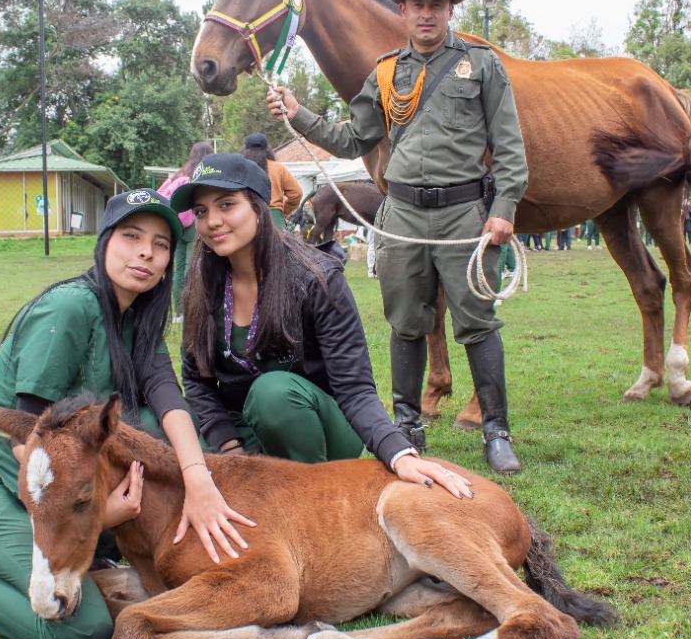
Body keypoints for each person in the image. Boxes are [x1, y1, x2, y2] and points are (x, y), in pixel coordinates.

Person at [0, 191, 255, 639]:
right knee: (79, 629)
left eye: (161, 243)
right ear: (105, 241)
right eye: (131, 236)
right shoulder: (69, 309)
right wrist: (102, 515)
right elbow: (28, 445)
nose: (146, 252)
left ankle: (91, 550)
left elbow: (171, 406)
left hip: (63, 489)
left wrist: (200, 477)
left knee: (172, 439)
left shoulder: (139, 319)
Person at [265, 0, 528, 474]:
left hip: (463, 215)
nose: (427, 14)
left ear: (450, 9)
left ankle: (496, 431)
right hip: (402, 215)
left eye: (437, 4)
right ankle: (407, 426)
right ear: (402, 9)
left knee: (477, 323)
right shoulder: (386, 73)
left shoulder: (482, 65)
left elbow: (511, 146)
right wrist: (298, 114)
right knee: (406, 322)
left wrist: (504, 207)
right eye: (417, 4)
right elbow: (351, 137)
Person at [172, 152, 472, 496]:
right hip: (242, 430)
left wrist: (398, 452)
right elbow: (196, 380)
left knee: (273, 394)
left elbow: (355, 387)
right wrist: (230, 448)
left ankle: (311, 496)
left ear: (259, 207)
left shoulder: (316, 279)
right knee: (169, 435)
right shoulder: (202, 284)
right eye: (201, 211)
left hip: (318, 423)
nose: (212, 221)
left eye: (227, 205)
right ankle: (258, 481)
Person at [158, 142, 213, 320]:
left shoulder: (178, 175)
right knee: (192, 267)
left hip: (176, 226)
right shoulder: (200, 175)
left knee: (178, 269)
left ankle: (178, 313)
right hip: (192, 227)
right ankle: (191, 309)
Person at [240, 132, 303, 229]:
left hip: (247, 217)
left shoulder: (241, 168)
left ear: (245, 150)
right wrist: (284, 210)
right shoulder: (277, 167)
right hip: (275, 219)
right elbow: (296, 193)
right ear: (267, 150)